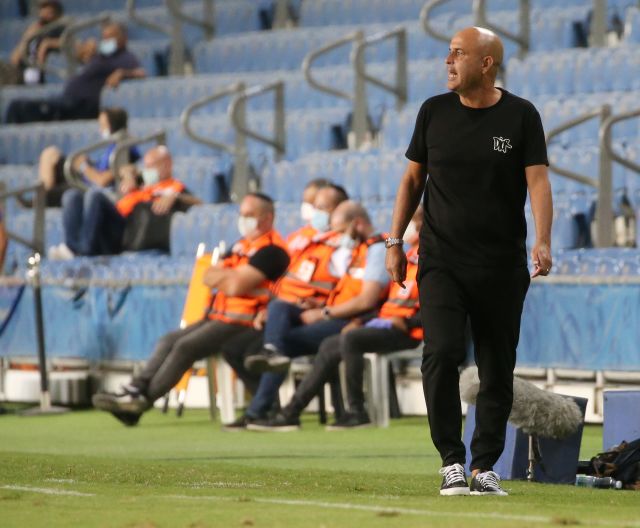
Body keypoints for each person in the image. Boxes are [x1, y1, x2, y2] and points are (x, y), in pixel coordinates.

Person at [385, 27, 552, 497]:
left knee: (497, 366)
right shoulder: (433, 112)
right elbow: (411, 181)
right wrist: (394, 241)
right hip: (441, 258)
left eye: (458, 53)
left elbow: (538, 182)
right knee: (440, 352)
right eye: (448, 53)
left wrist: (543, 240)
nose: (448, 61)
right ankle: (451, 461)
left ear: (486, 63)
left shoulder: (521, 115)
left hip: (501, 264)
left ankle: (484, 467)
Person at [92, 192, 290, 426]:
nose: (244, 219)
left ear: (267, 218)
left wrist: (227, 276)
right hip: (219, 316)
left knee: (185, 346)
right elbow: (206, 275)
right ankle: (136, 388)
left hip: (245, 321)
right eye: (242, 214)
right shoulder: (241, 246)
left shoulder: (272, 251)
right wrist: (229, 276)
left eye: (250, 215)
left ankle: (140, 402)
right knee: (168, 340)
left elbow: (235, 286)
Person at [249, 207, 424, 432]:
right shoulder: (396, 255)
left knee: (345, 339)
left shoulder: (399, 255)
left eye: (409, 221)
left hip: (406, 330)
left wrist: (406, 323)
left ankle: (356, 411)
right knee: (325, 341)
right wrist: (331, 309)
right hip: (381, 322)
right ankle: (290, 412)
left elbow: (428, 306)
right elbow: (386, 303)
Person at [220, 185, 350, 428]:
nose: (315, 212)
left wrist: (322, 308)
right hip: (291, 314)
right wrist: (266, 309)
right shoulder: (304, 240)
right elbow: (281, 284)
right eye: (314, 206)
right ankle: (266, 404)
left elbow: (351, 293)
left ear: (339, 210)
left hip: (326, 316)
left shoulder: (346, 247)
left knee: (279, 343)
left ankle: (261, 410)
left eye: (322, 207)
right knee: (234, 346)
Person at [54, 145, 199, 258]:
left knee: (95, 196)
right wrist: (129, 175)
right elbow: (126, 169)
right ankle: (71, 247)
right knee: (71, 195)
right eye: (146, 166)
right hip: (110, 224)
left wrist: (175, 196)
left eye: (151, 166)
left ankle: (82, 250)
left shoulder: (174, 187)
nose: (147, 170)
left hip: (125, 233)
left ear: (167, 165)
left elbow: (200, 203)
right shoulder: (142, 181)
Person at [4, 21, 145, 123]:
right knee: (16, 106)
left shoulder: (125, 57)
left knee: (20, 108)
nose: (106, 41)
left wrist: (121, 73)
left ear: (123, 38)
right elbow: (77, 54)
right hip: (67, 101)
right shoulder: (100, 55)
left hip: (82, 105)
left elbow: (141, 73)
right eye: (104, 37)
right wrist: (86, 51)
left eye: (111, 37)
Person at [31, 107, 139, 208]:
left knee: (48, 196)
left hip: (87, 186)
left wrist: (83, 166)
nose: (101, 130)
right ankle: (41, 194)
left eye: (103, 126)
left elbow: (101, 181)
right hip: (84, 176)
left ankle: (39, 199)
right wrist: (87, 162)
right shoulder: (113, 145)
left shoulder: (124, 150)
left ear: (113, 126)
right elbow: (102, 168)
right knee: (50, 154)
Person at [1, 1, 66, 86]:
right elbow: (14, 60)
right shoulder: (32, 30)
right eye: (43, 9)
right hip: (22, 73)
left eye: (50, 11)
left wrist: (48, 44)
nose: (46, 13)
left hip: (40, 74)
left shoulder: (59, 29)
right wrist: (26, 38)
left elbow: (69, 43)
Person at [286, 177, 332, 257]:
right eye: (305, 201)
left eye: (313, 203)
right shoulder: (296, 236)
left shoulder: (334, 240)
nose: (307, 207)